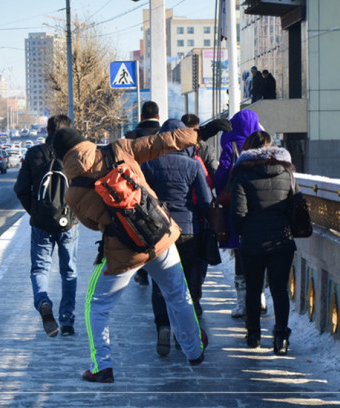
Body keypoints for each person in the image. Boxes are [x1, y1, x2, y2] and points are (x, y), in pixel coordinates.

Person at [52, 118, 231, 383]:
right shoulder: (118, 149)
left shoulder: (73, 192)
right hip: (159, 236)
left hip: (124, 253)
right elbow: (162, 142)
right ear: (83, 141)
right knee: (178, 294)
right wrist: (200, 133)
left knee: (96, 305)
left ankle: (102, 366)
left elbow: (91, 224)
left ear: (62, 158)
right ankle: (194, 352)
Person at [142, 119, 212, 357]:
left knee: (160, 283)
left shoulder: (149, 164)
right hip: (188, 230)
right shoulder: (192, 165)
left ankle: (162, 325)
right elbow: (204, 200)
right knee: (184, 285)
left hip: (158, 230)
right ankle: (185, 335)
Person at [230, 130, 296, 355]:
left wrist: (245, 231)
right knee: (279, 290)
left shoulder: (241, 173)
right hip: (281, 241)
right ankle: (280, 337)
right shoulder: (286, 171)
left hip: (252, 241)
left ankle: (254, 334)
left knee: (253, 288)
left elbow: (238, 213)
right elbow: (293, 204)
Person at [14, 114, 79, 338]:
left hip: (41, 221)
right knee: (69, 271)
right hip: (68, 222)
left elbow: (20, 189)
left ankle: (43, 302)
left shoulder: (34, 154)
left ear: (48, 131)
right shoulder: (74, 155)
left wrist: (35, 211)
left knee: (40, 268)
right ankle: (68, 320)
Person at [214, 109, 265, 319]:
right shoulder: (263, 146)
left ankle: (242, 302)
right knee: (260, 256)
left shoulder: (230, 146)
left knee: (239, 255)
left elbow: (221, 176)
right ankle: (260, 298)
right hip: (261, 209)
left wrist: (222, 192)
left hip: (236, 207)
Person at [125, 100, 161, 286]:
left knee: (140, 232)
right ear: (159, 117)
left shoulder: (130, 137)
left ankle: (142, 272)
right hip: (161, 191)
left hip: (137, 192)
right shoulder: (165, 136)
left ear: (141, 117)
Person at [181, 113, 218, 181]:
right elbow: (214, 173)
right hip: (201, 188)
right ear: (198, 129)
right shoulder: (207, 149)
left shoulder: (173, 148)